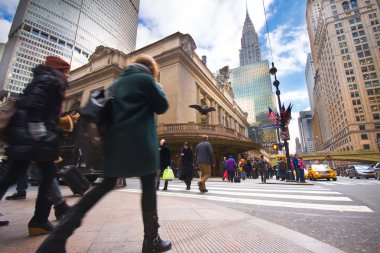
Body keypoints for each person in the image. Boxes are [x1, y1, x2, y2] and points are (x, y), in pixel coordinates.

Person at [37, 54, 171, 253]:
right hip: (140, 142)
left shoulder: (118, 83)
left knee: (103, 186)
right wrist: (157, 87)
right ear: (150, 69)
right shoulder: (146, 80)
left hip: (115, 143)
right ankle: (151, 240)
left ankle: (58, 237)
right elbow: (162, 106)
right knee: (149, 189)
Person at [0, 56, 71, 235]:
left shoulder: (43, 78)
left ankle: (40, 220)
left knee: (12, 175)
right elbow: (36, 105)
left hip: (26, 135)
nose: (68, 76)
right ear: (60, 70)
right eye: (66, 72)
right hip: (35, 137)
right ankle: (39, 220)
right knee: (47, 175)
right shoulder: (50, 79)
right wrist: (40, 131)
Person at [4, 112, 79, 220]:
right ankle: (52, 211)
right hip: (33, 140)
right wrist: (42, 141)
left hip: (31, 139)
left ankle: (49, 213)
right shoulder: (46, 96)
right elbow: (37, 114)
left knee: (43, 174)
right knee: (43, 174)